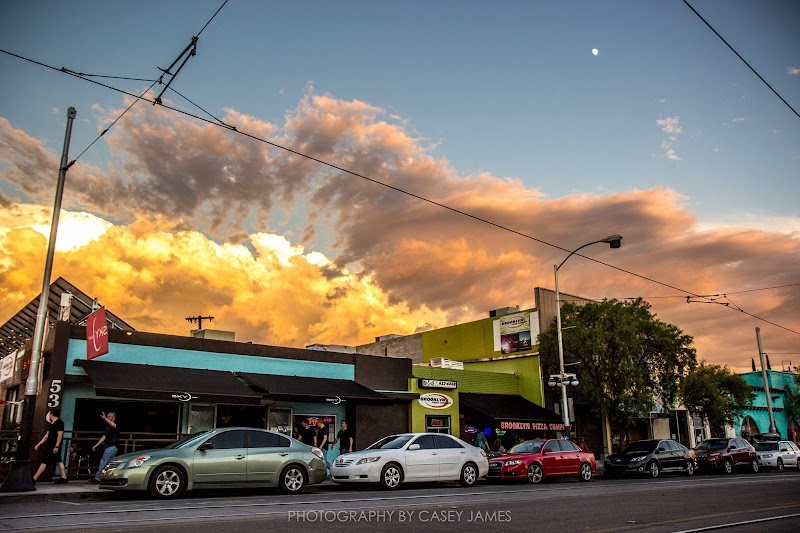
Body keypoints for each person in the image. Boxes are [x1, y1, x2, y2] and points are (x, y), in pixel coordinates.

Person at [33, 408, 68, 484]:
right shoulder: (52, 423)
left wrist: (56, 446)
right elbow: (47, 435)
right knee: (58, 461)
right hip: (51, 445)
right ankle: (64, 477)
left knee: (45, 461)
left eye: (49, 413)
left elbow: (60, 434)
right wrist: (39, 444)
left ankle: (34, 478)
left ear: (52, 414)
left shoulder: (59, 422)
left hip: (53, 446)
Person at [90, 411, 119, 483]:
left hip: (112, 446)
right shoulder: (108, 427)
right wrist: (96, 445)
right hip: (109, 446)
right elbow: (104, 436)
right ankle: (109, 478)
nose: (108, 417)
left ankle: (98, 478)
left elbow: (113, 425)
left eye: (109, 416)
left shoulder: (117, 424)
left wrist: (104, 418)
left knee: (104, 461)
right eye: (107, 416)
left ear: (113, 417)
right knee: (110, 463)